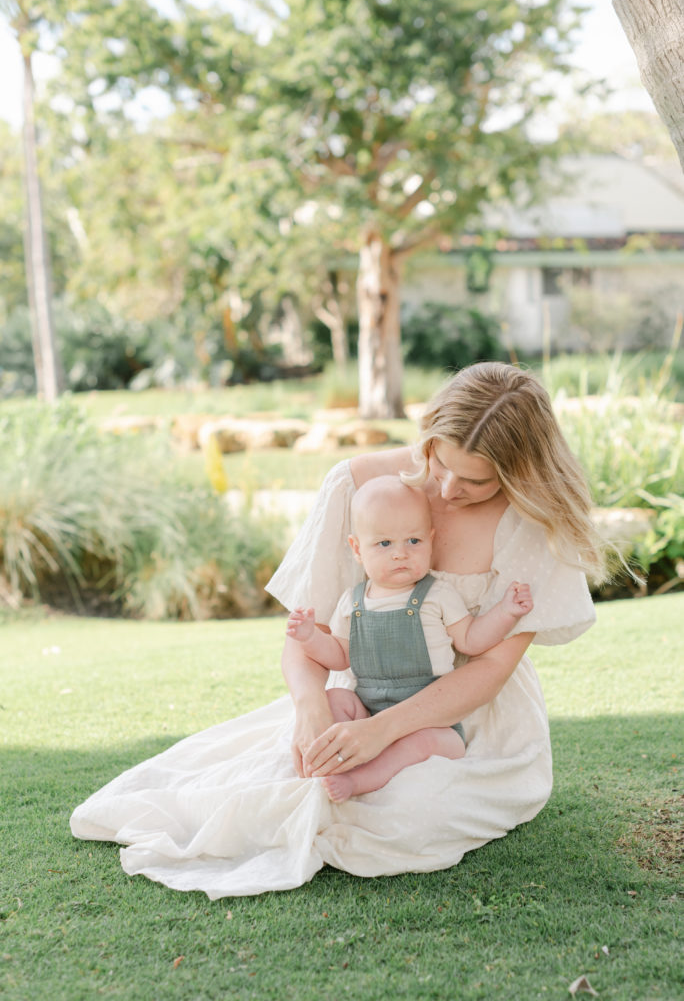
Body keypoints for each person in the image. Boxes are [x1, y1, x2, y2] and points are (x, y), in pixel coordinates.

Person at [70, 362, 604, 899]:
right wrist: (311, 709)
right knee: (283, 781)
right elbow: (310, 633)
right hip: (363, 694)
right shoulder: (357, 485)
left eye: (476, 480)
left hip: (469, 719)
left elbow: (488, 669)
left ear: (518, 470)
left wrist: (383, 732)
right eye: (438, 461)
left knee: (408, 814)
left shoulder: (533, 521)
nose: (446, 487)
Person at [286, 474, 533, 802]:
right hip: (367, 711)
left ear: (431, 540)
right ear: (357, 549)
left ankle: (362, 779)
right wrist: (308, 638)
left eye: (413, 541)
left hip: (428, 719)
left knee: (426, 742)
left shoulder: (437, 595)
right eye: (385, 544)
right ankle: (333, 758)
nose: (400, 554)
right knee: (335, 700)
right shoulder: (353, 602)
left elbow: (472, 641)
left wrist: (506, 612)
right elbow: (339, 656)